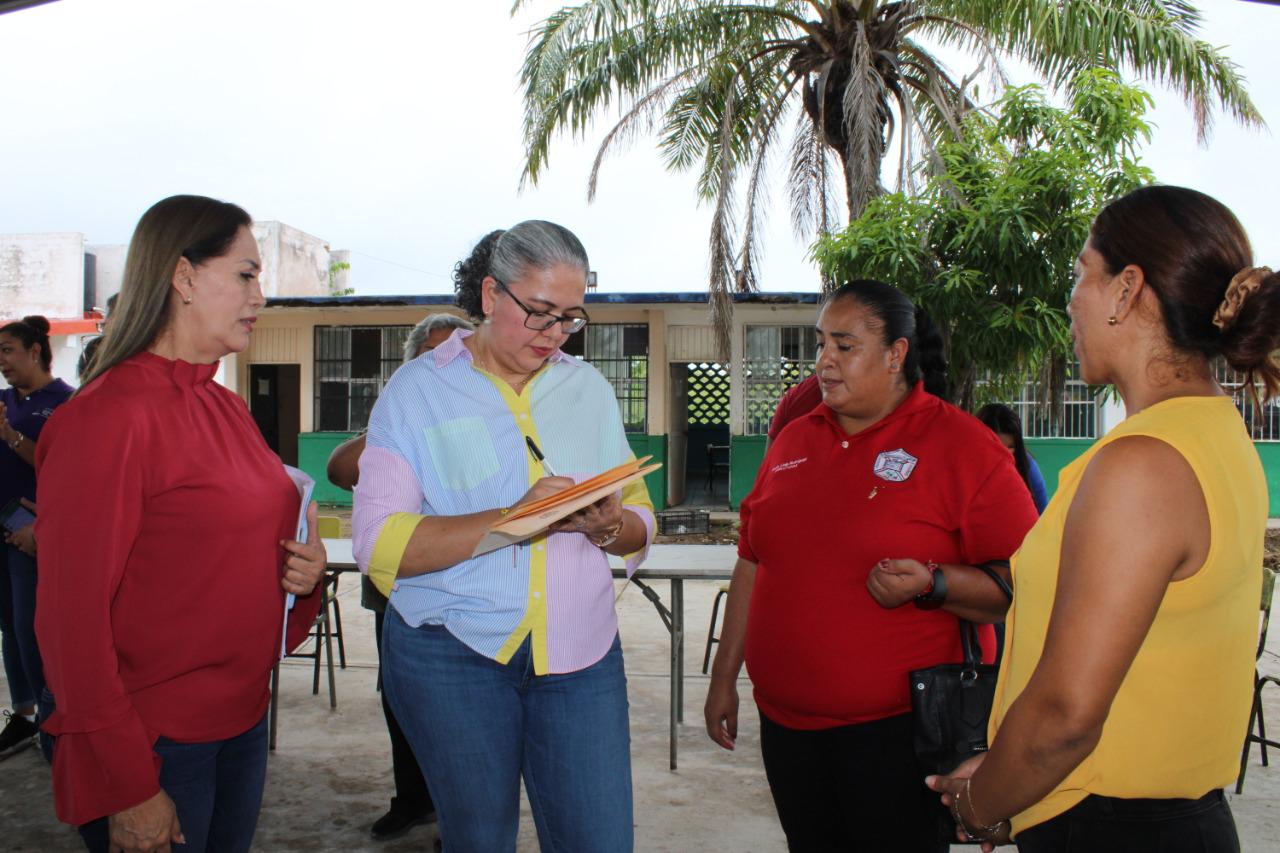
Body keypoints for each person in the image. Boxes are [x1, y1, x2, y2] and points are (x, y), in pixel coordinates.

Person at [927, 185, 1279, 852]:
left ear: (1127, 290)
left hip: (1114, 825)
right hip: (1146, 815)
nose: (1071, 301)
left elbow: (1065, 715)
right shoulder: (1213, 431)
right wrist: (1011, 777)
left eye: (1082, 273)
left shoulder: (1142, 466)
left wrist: (984, 798)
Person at [34, 195, 327, 853]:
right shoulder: (107, 419)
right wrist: (129, 781)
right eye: (247, 274)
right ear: (184, 276)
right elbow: (69, 621)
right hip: (153, 741)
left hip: (242, 723)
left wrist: (302, 578)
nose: (261, 295)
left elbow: (242, 561)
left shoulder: (225, 408)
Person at [704, 279, 1038, 852]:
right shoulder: (792, 442)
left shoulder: (962, 445)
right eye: (819, 346)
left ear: (896, 354)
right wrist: (722, 678)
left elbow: (1023, 587)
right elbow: (752, 564)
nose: (824, 362)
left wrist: (933, 584)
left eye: (844, 346)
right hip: (788, 729)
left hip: (899, 735)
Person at [353, 221, 655, 852]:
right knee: (479, 837)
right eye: (540, 313)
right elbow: (378, 544)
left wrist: (607, 527)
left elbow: (638, 520)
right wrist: (511, 521)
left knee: (598, 837)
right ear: (491, 295)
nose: (554, 335)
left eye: (571, 318)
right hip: (451, 652)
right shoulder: (417, 394)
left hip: (580, 653)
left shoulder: (588, 391)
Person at [326, 312, 472, 843]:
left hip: (462, 596)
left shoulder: (482, 420)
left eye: (454, 354)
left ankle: (458, 818)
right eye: (430, 357)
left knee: (465, 727)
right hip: (396, 596)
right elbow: (341, 470)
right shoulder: (399, 415)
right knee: (402, 705)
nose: (442, 367)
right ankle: (412, 801)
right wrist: (403, 414)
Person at [0, 315, 73, 759]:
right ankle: (24, 715)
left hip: (36, 534)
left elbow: (60, 467)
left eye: (8, 350)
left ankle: (54, 720)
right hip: (2, 532)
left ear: (35, 351)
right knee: (10, 626)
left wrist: (9, 436)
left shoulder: (65, 403)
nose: (2, 361)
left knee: (34, 627)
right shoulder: (4, 400)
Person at [975, 403, 1049, 513]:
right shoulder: (964, 471)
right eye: (998, 448)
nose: (1005, 455)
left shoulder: (1028, 467)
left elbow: (1044, 517)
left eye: (1011, 447)